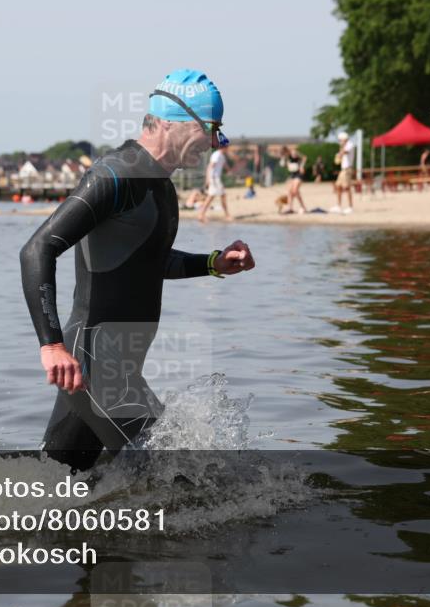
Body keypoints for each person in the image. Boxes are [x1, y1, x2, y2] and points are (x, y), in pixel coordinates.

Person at [19, 69, 256, 472]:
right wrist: (52, 345)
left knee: (56, 490)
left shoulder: (159, 184)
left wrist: (212, 264)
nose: (217, 142)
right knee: (180, 480)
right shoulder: (115, 175)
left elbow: (148, 261)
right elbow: (38, 249)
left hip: (112, 367)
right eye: (212, 128)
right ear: (171, 122)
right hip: (93, 363)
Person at [198, 143, 231, 223]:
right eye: (227, 148)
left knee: (219, 196)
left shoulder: (222, 156)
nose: (228, 149)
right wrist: (208, 179)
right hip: (214, 179)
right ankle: (201, 215)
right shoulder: (217, 155)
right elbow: (209, 167)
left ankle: (226, 215)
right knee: (212, 197)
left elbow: (226, 166)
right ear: (224, 148)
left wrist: (231, 170)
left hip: (216, 179)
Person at [331, 131, 354, 214]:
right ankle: (338, 206)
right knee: (338, 186)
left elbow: (344, 152)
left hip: (347, 169)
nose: (339, 142)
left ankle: (350, 207)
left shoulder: (350, 144)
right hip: (343, 169)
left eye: (340, 140)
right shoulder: (344, 146)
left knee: (347, 187)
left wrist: (341, 150)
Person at [281, 145, 307, 214]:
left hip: (299, 174)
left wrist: (302, 166)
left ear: (286, 151)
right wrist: (286, 164)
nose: (284, 155)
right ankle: (290, 208)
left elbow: (304, 158)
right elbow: (288, 165)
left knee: (295, 191)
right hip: (292, 174)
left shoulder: (294, 153)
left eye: (284, 153)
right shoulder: (286, 157)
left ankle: (303, 207)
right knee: (290, 191)